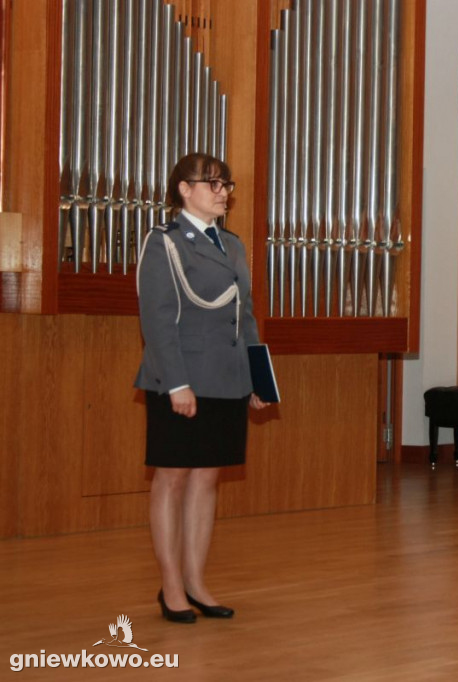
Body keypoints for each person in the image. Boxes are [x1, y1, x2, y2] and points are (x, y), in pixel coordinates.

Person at [134, 153, 268, 624]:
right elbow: (157, 320)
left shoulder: (232, 245)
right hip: (182, 377)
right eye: (211, 183)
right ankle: (171, 586)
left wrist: (257, 378)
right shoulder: (164, 242)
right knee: (172, 478)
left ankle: (196, 581)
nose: (222, 191)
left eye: (225, 183)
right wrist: (177, 384)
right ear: (184, 190)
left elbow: (245, 316)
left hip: (227, 377)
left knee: (207, 477)